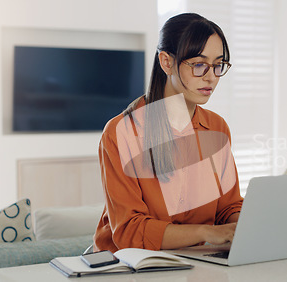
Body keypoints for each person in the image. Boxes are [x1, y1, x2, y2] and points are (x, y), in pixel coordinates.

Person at [93, 13, 243, 253]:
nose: (211, 77)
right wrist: (207, 232)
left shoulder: (217, 128)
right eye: (199, 64)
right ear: (166, 62)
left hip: (194, 262)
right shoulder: (121, 132)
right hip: (126, 266)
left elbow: (228, 206)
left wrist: (245, 225)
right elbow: (129, 231)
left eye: (218, 65)